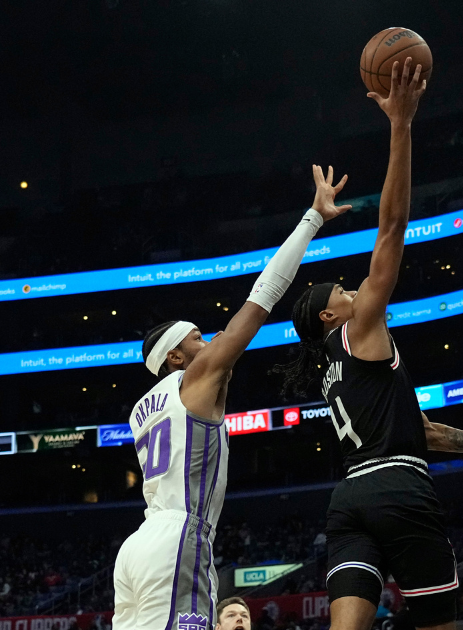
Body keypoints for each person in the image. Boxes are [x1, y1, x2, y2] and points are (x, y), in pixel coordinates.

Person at [274, 59, 463, 630]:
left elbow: (428, 432)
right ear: (332, 314)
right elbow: (392, 227)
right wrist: (400, 125)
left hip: (350, 498)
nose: (359, 289)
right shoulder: (357, 331)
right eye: (347, 289)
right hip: (400, 488)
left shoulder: (337, 367)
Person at [112, 163, 352, 630]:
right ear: (177, 358)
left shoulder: (142, 409)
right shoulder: (196, 376)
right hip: (179, 538)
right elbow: (262, 297)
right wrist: (312, 220)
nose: (211, 341)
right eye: (198, 339)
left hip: (136, 547)